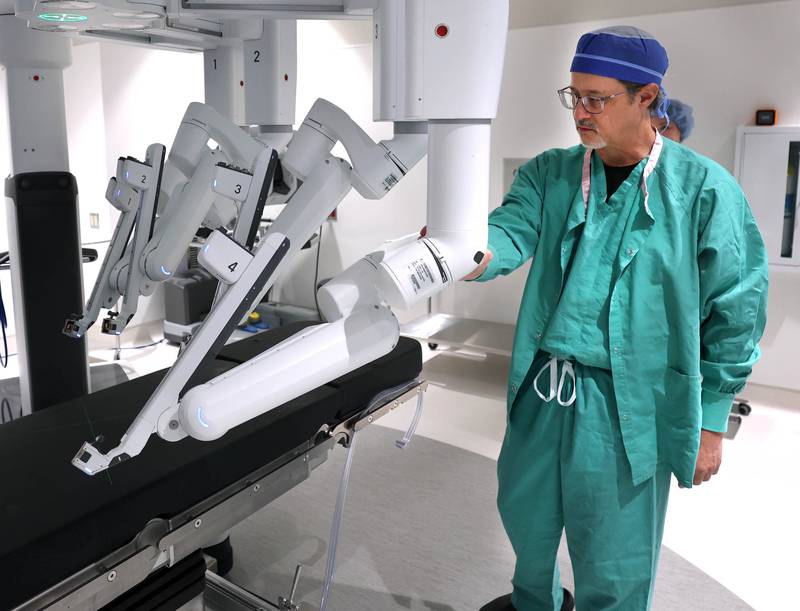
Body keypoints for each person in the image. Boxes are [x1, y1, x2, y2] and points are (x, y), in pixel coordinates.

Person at [470, 26, 768, 611]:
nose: (580, 112)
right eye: (574, 96)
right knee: (526, 525)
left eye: (597, 99)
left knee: (615, 554)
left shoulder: (704, 191)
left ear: (647, 98)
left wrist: (710, 422)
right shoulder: (550, 173)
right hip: (543, 390)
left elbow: (737, 309)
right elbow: (509, 230)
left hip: (627, 406)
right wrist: (464, 254)